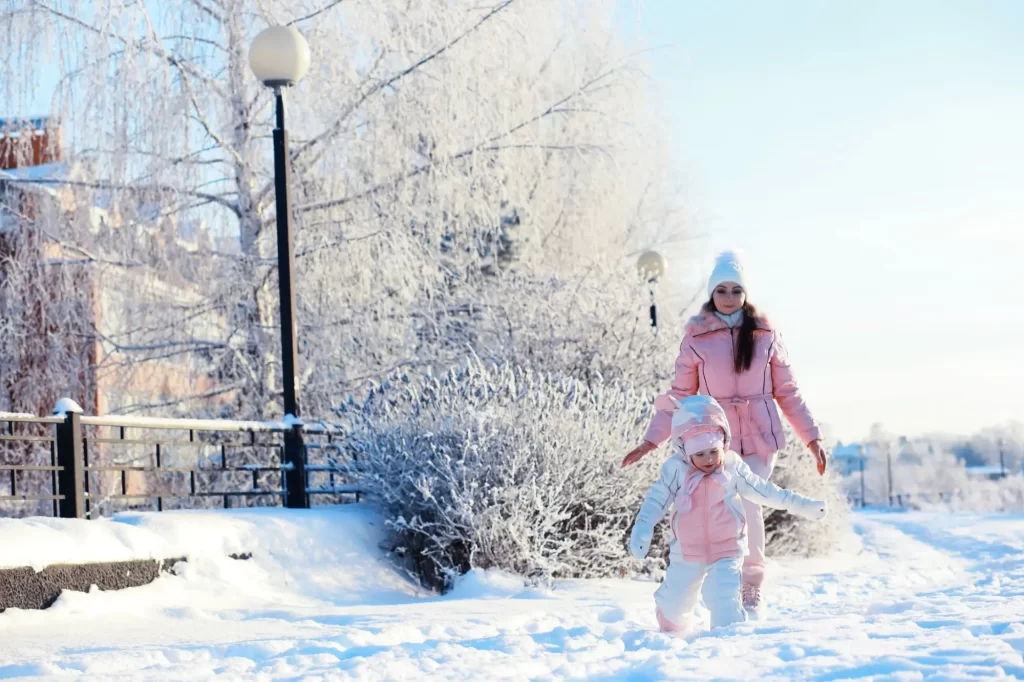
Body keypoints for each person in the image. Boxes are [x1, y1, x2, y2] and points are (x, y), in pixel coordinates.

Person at [622, 250, 827, 614]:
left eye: (736, 289)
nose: (729, 296)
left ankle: (751, 583)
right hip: (715, 437)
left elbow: (788, 392)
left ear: (745, 294)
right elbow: (680, 395)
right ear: (711, 294)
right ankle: (709, 576)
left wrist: (812, 438)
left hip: (761, 436)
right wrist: (650, 441)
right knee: (720, 504)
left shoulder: (765, 334)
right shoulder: (696, 338)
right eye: (722, 290)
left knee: (749, 501)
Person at [628, 395, 828, 633]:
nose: (709, 459)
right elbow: (656, 501)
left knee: (726, 608)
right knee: (674, 612)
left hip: (727, 550)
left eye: (713, 450)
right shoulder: (676, 470)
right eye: (699, 454)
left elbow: (766, 492)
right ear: (684, 450)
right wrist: (643, 527)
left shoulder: (733, 468)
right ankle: (671, 623)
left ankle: (727, 648)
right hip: (687, 552)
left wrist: (802, 505)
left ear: (723, 442)